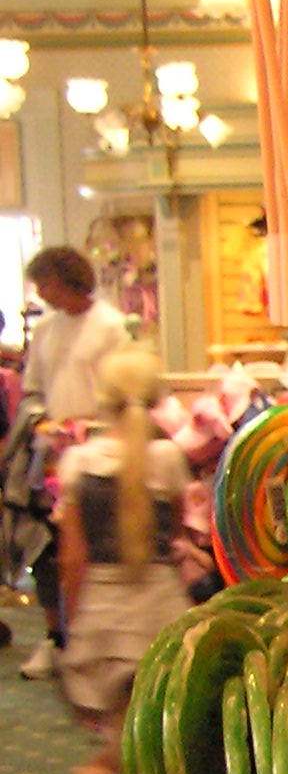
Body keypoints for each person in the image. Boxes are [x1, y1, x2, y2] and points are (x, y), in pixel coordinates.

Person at [25, 345, 189, 774]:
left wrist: (73, 628)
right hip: (158, 615)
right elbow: (174, 540)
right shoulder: (167, 460)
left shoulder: (79, 463)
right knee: (150, 752)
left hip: (104, 616)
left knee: (126, 749)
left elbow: (72, 561)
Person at [4, 246, 129, 678]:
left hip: (98, 452)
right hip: (50, 454)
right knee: (46, 548)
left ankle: (94, 642)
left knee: (93, 549)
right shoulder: (45, 331)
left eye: (45, 282)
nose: (41, 292)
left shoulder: (110, 326)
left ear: (66, 278)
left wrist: (89, 426)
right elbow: (33, 389)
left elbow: (122, 390)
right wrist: (43, 423)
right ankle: (55, 637)